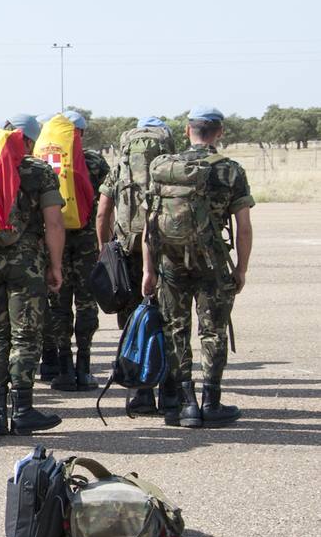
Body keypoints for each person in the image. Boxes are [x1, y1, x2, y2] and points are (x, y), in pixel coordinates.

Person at [142, 106, 253, 428]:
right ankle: (211, 402)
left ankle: (185, 404)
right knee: (212, 331)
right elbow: (243, 227)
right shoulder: (230, 170)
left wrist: (148, 270)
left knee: (175, 329)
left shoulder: (165, 167)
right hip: (212, 261)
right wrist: (241, 269)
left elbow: (150, 224)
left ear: (188, 130)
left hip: (170, 260)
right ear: (218, 132)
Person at [0, 114, 65, 434]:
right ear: (31, 141)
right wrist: (55, 265)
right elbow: (54, 223)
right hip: (26, 265)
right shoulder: (39, 171)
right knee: (25, 336)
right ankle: (22, 410)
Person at [96, 116, 177, 414]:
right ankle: (171, 393)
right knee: (168, 322)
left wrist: (104, 251)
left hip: (128, 253)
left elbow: (103, 213)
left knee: (134, 323)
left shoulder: (119, 169)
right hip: (164, 252)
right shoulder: (170, 168)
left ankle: (142, 394)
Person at [40, 111, 109, 391]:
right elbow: (107, 202)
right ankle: (84, 367)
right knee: (86, 305)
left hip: (54, 243)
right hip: (86, 245)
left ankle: (63, 368)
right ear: (80, 133)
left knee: (58, 306)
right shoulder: (93, 161)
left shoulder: (41, 161)